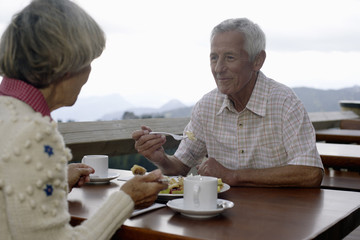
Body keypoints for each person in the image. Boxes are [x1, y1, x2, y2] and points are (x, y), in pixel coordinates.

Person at [0, 0, 167, 239]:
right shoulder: (33, 134)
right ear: (68, 67)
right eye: (89, 61)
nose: (89, 73)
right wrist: (127, 199)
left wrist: (55, 183)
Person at [132, 18, 324, 188]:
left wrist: (233, 176)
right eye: (214, 58)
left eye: (229, 58)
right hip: (221, 217)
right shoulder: (206, 106)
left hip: (282, 215)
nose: (218, 68)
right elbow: (180, 167)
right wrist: (161, 159)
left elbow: (311, 173)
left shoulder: (284, 102)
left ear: (258, 61)